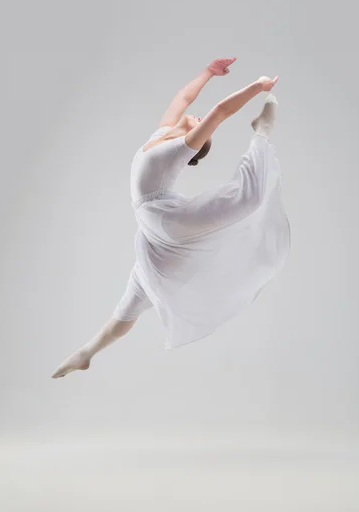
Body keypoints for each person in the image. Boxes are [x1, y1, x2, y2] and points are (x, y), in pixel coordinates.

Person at [51, 58, 291, 378]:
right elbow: (182, 98)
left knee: (247, 198)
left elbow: (219, 111)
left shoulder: (180, 147)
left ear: (197, 142)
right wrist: (208, 72)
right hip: (152, 231)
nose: (196, 117)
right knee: (132, 299)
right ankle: (86, 352)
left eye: (201, 129)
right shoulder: (163, 133)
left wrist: (257, 88)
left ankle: (262, 131)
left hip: (168, 221)